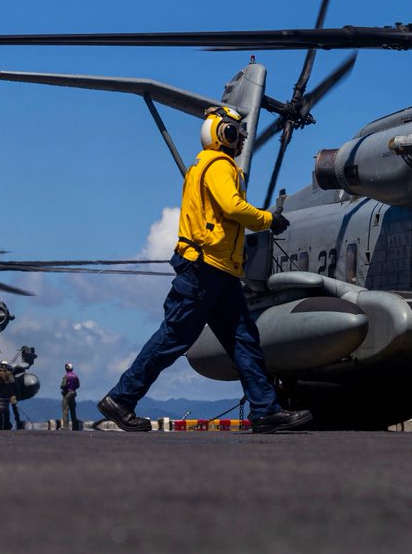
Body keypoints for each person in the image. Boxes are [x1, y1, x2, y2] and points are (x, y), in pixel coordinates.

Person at [98, 105, 312, 434]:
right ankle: (122, 399)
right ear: (223, 134)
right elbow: (232, 207)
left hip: (220, 271)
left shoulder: (209, 166)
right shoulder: (218, 166)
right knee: (174, 338)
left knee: (244, 340)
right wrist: (269, 219)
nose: (241, 139)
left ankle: (265, 410)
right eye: (237, 133)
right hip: (204, 270)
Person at [0, 359, 17, 431]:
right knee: (6, 410)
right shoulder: (8, 373)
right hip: (6, 393)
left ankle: (0, 425)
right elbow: (12, 381)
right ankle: (6, 425)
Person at [61, 362, 80, 431]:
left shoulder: (66, 376)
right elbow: (78, 385)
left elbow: (64, 385)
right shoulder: (75, 376)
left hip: (67, 393)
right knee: (73, 410)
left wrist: (62, 387)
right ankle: (75, 426)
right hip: (73, 393)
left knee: (65, 410)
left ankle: (66, 427)